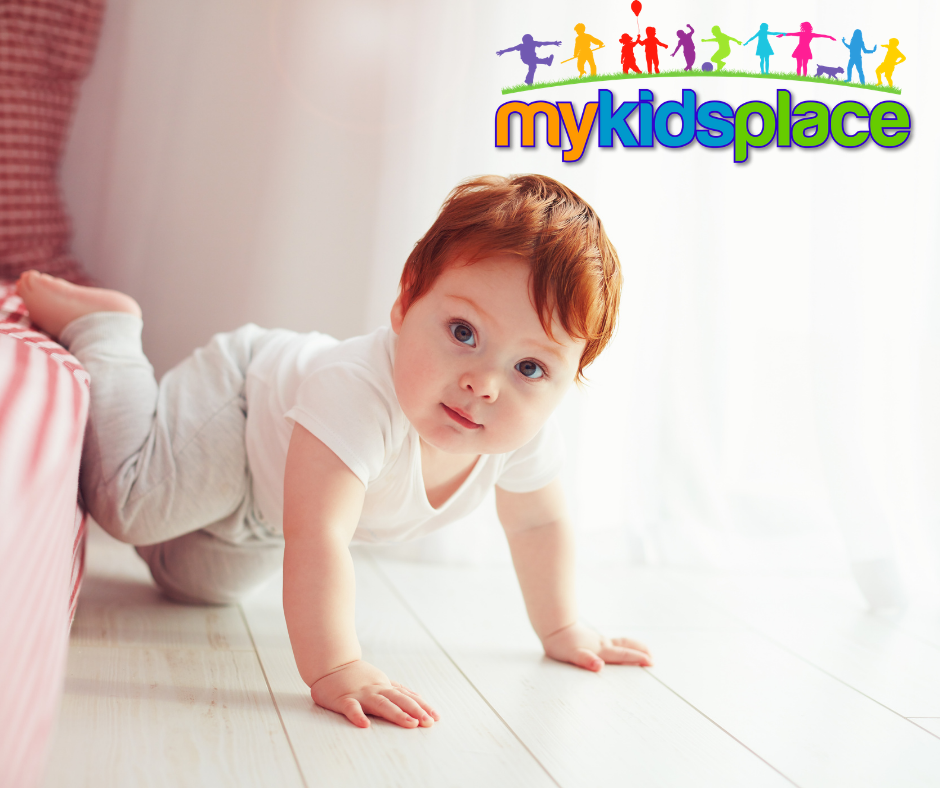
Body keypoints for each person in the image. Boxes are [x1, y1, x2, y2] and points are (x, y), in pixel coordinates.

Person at [17, 174, 652, 731]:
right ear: (406, 303)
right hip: (240, 407)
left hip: (267, 503)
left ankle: (192, 501)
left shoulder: (523, 437)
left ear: (572, 379)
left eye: (531, 367)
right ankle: (109, 329)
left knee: (198, 584)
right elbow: (319, 535)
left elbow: (538, 523)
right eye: (463, 333)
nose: (484, 383)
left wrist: (563, 627)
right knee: (134, 506)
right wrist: (337, 667)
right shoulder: (354, 393)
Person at [496, 34, 561, 86]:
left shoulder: (531, 43)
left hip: (530, 59)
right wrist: (503, 51)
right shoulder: (523, 45)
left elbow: (544, 43)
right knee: (533, 63)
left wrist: (554, 43)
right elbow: (512, 49)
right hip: (526, 59)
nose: (529, 42)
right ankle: (546, 61)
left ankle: (529, 81)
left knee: (533, 67)